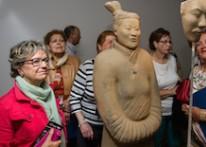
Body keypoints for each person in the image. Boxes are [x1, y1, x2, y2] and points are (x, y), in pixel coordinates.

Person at [93, 1, 161, 147]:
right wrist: (148, 128)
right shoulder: (104, 60)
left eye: (137, 29)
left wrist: (152, 124)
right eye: (128, 28)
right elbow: (114, 122)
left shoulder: (146, 57)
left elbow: (155, 103)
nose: (134, 33)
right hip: (117, 142)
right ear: (116, 31)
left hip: (147, 141)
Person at [0, 40, 66, 147]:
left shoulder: (49, 93)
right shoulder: (4, 105)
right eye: (36, 61)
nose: (44, 65)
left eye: (45, 60)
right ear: (19, 68)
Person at [69, 30, 116, 147]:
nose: (114, 45)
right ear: (99, 46)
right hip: (88, 125)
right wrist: (83, 123)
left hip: (111, 127)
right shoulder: (87, 67)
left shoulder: (120, 70)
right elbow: (74, 98)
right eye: (110, 42)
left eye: (117, 43)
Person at [44, 29, 80, 146]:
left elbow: (80, 85)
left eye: (61, 40)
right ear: (48, 46)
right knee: (55, 140)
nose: (59, 43)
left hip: (72, 106)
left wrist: (69, 103)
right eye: (54, 41)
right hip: (50, 109)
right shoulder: (43, 63)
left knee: (73, 140)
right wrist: (58, 105)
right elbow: (42, 90)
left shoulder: (75, 61)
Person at [149, 27, 182, 147]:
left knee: (175, 143)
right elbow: (147, 93)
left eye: (170, 41)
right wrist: (173, 91)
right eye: (164, 42)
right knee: (157, 143)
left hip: (174, 110)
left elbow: (177, 79)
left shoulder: (172, 59)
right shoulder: (147, 62)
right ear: (155, 44)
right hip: (157, 113)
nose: (169, 45)